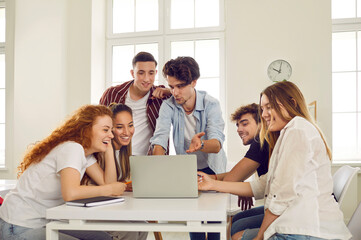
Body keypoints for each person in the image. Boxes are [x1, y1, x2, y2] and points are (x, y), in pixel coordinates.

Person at [198, 81, 352, 240]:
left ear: (291, 103)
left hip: (307, 228)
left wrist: (260, 236)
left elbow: (281, 195)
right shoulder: (289, 132)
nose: (264, 114)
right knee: (237, 231)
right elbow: (263, 185)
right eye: (262, 108)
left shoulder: (297, 131)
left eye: (269, 107)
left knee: (237, 235)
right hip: (301, 221)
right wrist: (213, 183)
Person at [0, 105, 126, 240]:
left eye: (111, 131)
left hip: (44, 222)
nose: (111, 135)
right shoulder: (72, 148)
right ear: (86, 130)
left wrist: (109, 151)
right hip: (18, 226)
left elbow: (110, 185)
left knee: (103, 238)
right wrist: (108, 189)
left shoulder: (84, 154)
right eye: (105, 130)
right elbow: (71, 193)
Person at [150, 56, 226, 240]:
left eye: (180, 86)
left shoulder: (211, 103)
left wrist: (200, 144)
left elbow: (216, 144)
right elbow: (160, 138)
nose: (175, 92)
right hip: (188, 168)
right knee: (194, 220)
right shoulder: (169, 106)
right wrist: (157, 167)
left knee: (214, 222)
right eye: (171, 86)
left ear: (194, 82)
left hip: (213, 168)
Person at [81, 103, 147, 240]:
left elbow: (113, 186)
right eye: (119, 127)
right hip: (91, 210)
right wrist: (109, 148)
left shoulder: (124, 153)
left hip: (108, 207)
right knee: (130, 232)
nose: (127, 132)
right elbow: (108, 186)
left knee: (143, 226)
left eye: (130, 125)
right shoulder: (95, 152)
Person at [210, 103, 269, 238]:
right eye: (238, 125)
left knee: (237, 226)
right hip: (275, 206)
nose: (239, 129)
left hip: (285, 211)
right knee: (236, 219)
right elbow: (238, 174)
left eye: (244, 124)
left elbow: (231, 179)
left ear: (261, 123)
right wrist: (213, 177)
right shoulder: (262, 141)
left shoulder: (261, 142)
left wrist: (212, 180)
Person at [99, 51, 171, 155]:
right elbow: (99, 126)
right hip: (113, 156)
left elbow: (183, 96)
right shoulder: (112, 94)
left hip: (147, 161)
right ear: (133, 73)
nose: (146, 79)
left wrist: (169, 91)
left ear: (155, 73)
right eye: (141, 73)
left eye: (151, 73)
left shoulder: (161, 96)